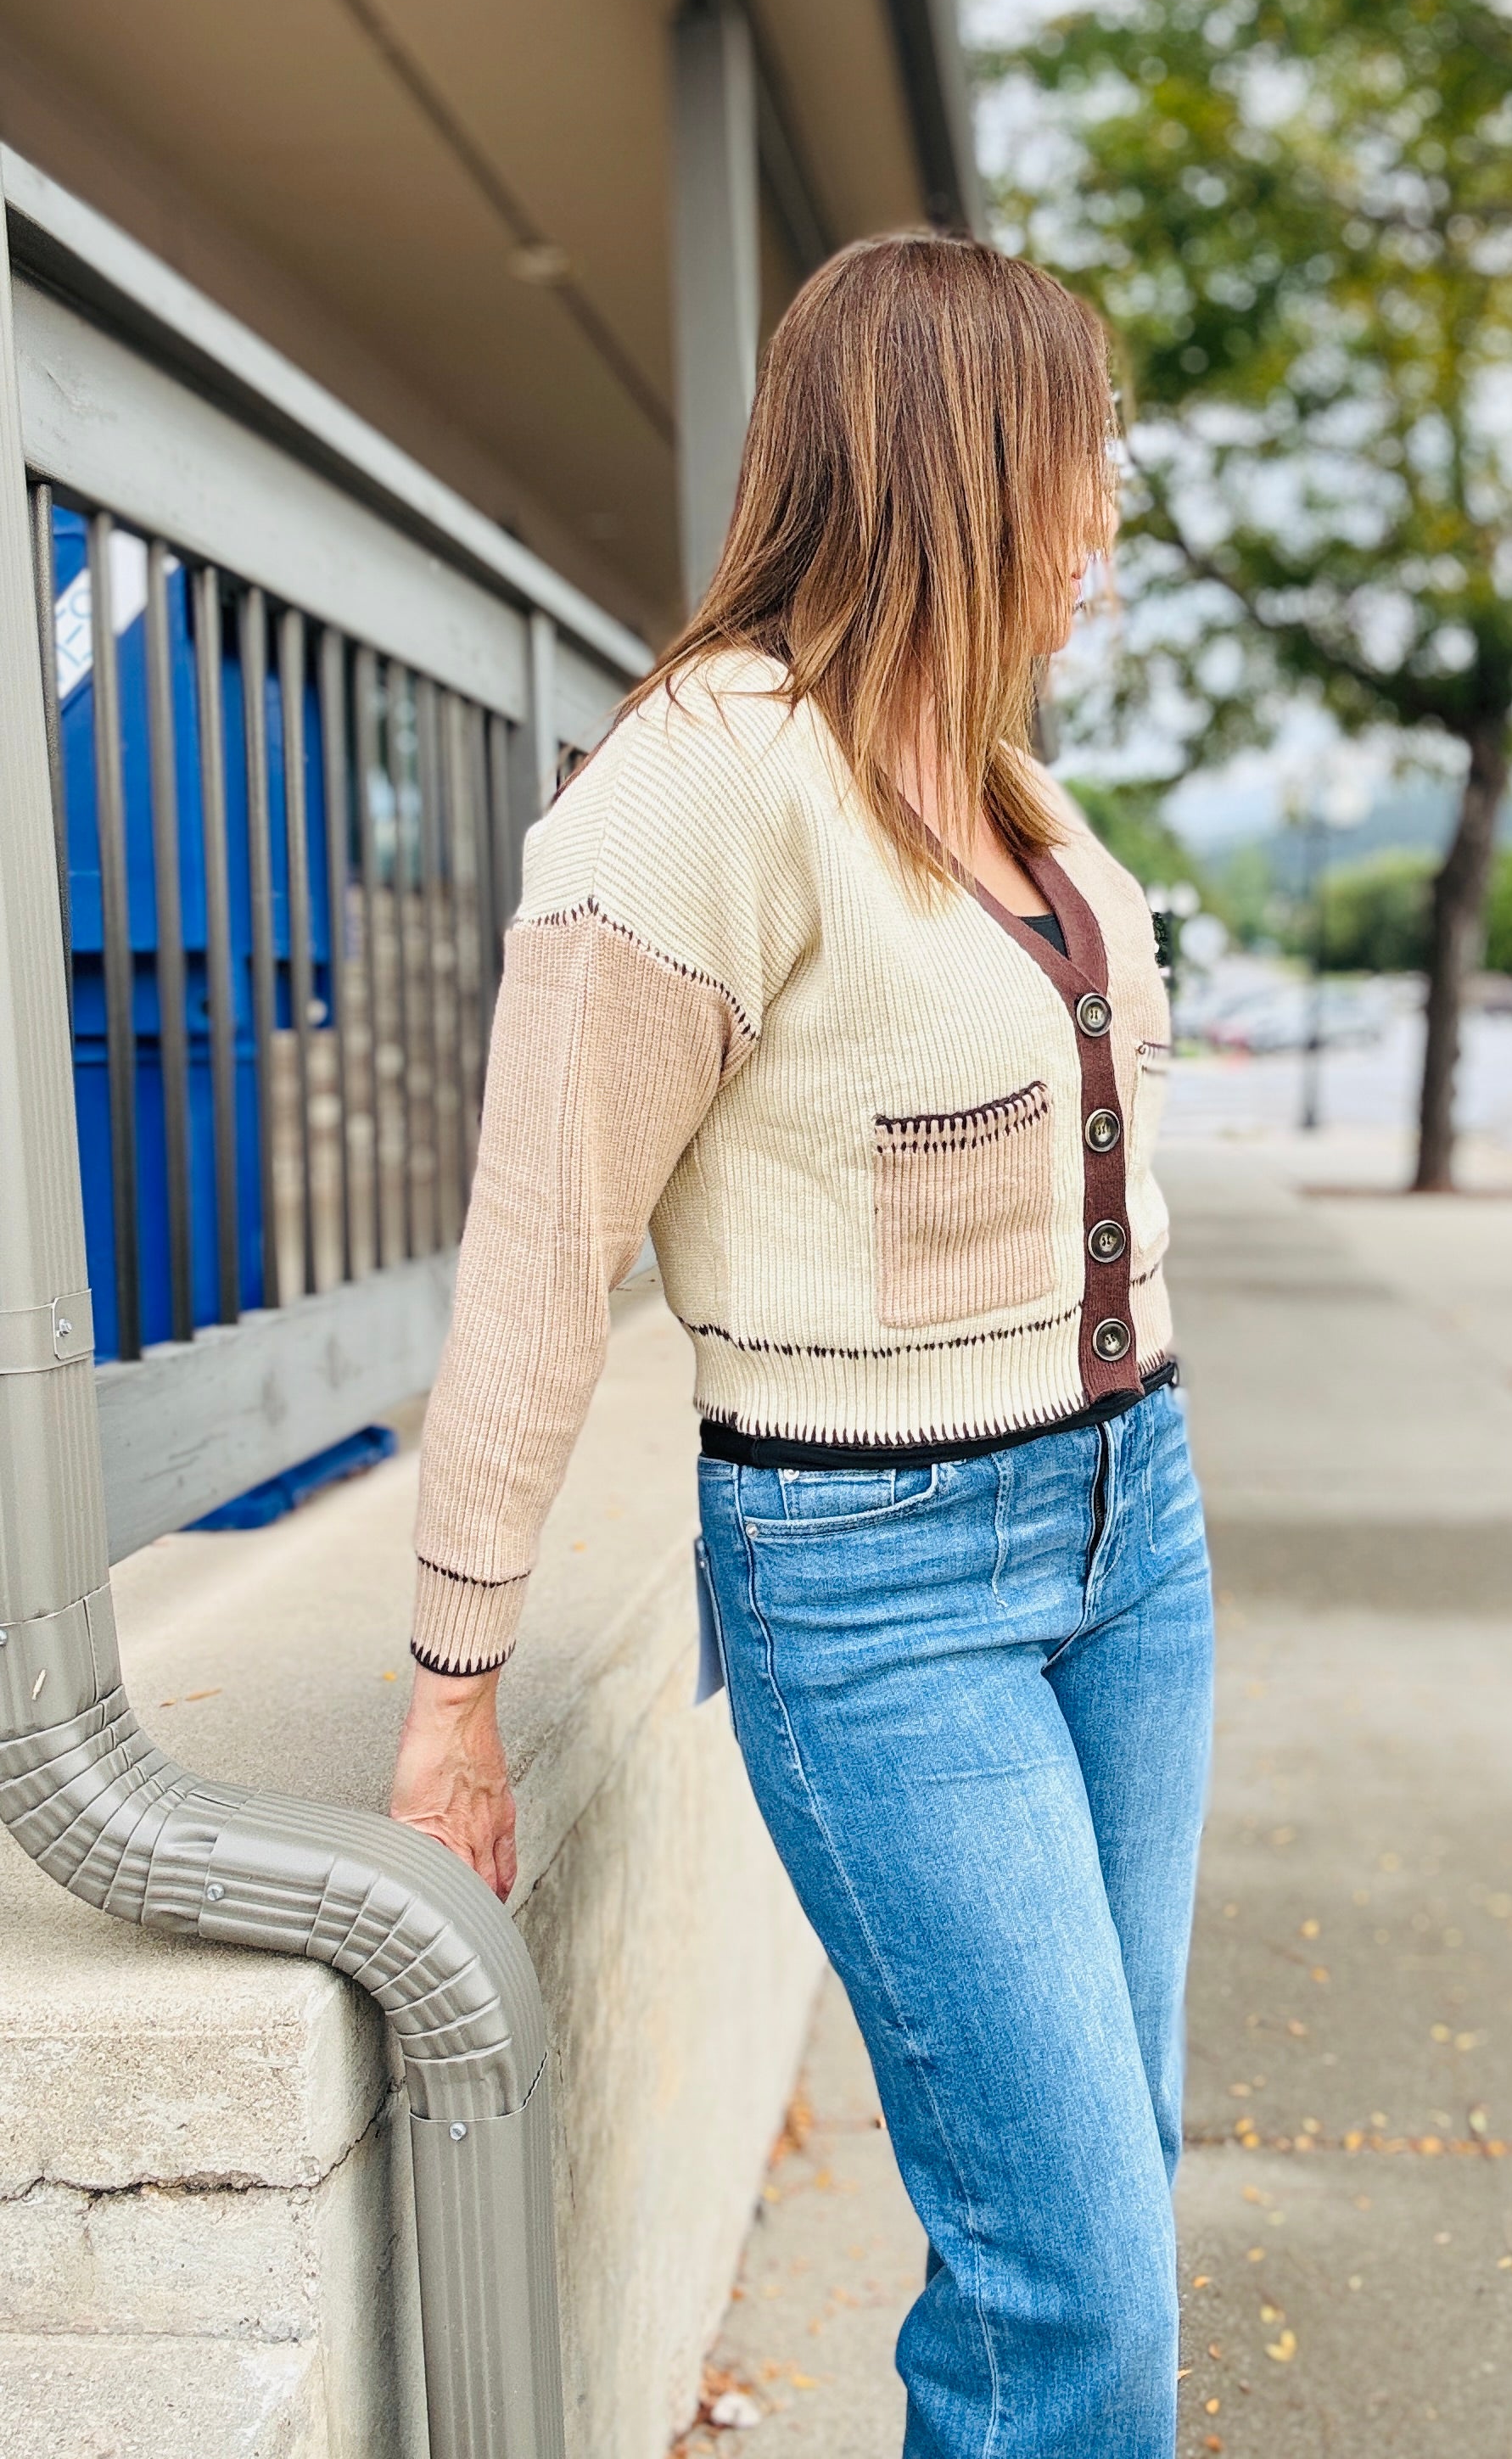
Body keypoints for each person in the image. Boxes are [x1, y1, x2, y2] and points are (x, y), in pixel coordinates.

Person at [389, 231, 1213, 2459]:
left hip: (1132, 1538)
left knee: (1095, 2197)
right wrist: (454, 1680)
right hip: (883, 1582)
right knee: (1079, 2278)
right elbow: (541, 1253)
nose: (1106, 514)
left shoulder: (1004, 793)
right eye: (1080, 455)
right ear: (956, 463)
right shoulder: (703, 782)